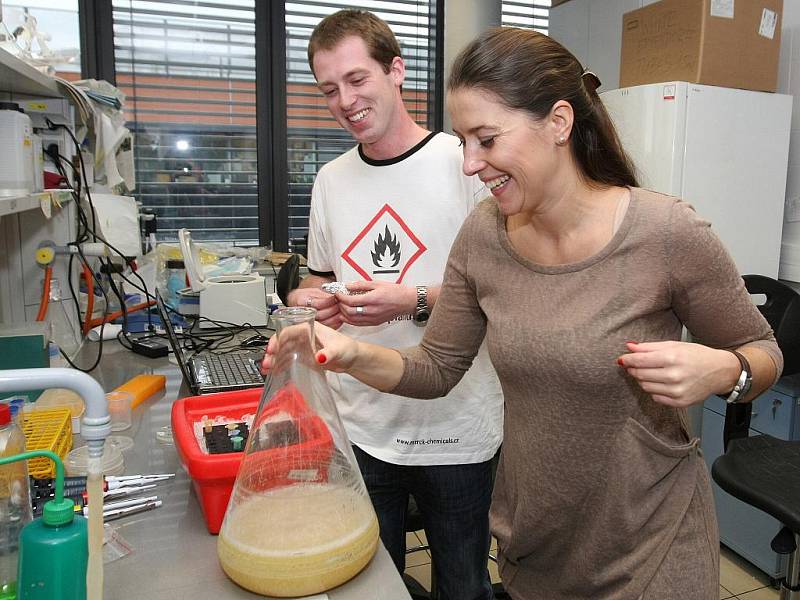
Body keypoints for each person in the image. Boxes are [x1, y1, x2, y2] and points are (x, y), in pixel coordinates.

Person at [265, 27, 784, 600]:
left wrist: (721, 372)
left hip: (651, 544)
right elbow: (437, 369)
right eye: (463, 141)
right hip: (537, 543)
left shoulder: (665, 232)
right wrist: (347, 352)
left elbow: (764, 353)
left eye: (486, 139)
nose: (468, 164)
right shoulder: (485, 236)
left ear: (558, 123)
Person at [285, 10, 504, 600]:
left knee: (463, 585)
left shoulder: (466, 163)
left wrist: (413, 300)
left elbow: (506, 290)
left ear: (396, 71)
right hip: (363, 426)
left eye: (357, 79)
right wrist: (309, 298)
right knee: (371, 586)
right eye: (329, 88)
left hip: (457, 425)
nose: (345, 100)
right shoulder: (330, 179)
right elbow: (321, 274)